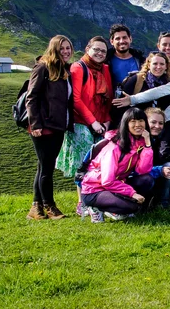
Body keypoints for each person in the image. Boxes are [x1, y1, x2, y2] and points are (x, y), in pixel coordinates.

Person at [56, 36, 113, 216]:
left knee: (99, 163)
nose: (99, 53)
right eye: (96, 49)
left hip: (100, 123)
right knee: (83, 163)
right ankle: (82, 202)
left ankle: (96, 200)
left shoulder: (105, 69)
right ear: (88, 49)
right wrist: (93, 122)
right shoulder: (78, 68)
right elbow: (76, 99)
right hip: (81, 122)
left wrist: (106, 120)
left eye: (103, 51)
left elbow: (109, 98)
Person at [25, 35, 75, 220]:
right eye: (62, 48)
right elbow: (32, 97)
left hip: (57, 125)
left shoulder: (65, 70)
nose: (66, 52)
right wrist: (35, 123)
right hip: (43, 125)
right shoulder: (42, 67)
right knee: (47, 168)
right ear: (54, 49)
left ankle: (35, 208)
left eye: (68, 48)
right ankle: (50, 206)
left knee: (44, 166)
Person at [80, 108, 154, 223]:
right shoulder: (114, 147)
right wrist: (132, 193)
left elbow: (142, 171)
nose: (138, 125)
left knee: (147, 179)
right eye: (133, 121)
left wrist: (148, 145)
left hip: (115, 184)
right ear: (126, 124)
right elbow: (107, 181)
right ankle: (95, 207)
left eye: (141, 121)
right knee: (132, 207)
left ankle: (116, 207)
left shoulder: (140, 144)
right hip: (95, 189)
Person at [109, 51, 170, 128]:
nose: (158, 67)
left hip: (157, 128)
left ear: (166, 66)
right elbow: (119, 106)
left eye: (162, 64)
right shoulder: (137, 80)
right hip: (134, 126)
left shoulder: (169, 84)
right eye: (155, 63)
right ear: (149, 64)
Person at [144, 107, 170, 209]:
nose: (157, 126)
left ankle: (164, 202)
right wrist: (159, 170)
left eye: (161, 123)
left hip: (159, 173)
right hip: (143, 175)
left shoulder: (165, 137)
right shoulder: (139, 138)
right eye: (153, 122)